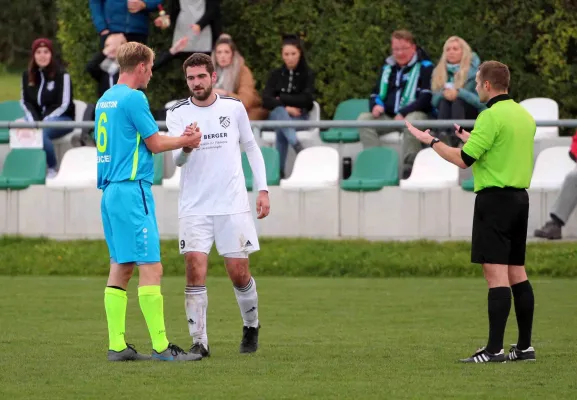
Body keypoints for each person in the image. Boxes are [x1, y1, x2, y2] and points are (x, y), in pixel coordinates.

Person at [405, 61, 537, 363]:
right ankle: (525, 346)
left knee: (496, 274)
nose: (475, 87)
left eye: (477, 83)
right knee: (517, 271)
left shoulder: (489, 116)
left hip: (494, 202)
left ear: (487, 85)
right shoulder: (524, 116)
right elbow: (501, 151)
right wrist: (471, 138)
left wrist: (431, 141)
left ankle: (494, 350)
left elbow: (463, 160)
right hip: (519, 200)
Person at [96, 41, 203, 362]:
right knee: (151, 267)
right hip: (132, 191)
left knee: (122, 266)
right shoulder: (133, 97)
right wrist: (187, 140)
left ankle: (117, 346)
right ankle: (161, 347)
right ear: (141, 66)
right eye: (151, 67)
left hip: (110, 193)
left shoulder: (106, 99)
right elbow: (155, 144)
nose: (152, 74)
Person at [166, 53, 270, 357]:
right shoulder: (177, 113)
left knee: (238, 272)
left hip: (232, 204)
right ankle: (200, 342)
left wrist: (262, 189)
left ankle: (251, 325)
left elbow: (251, 147)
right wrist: (186, 147)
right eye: (190, 78)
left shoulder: (234, 108)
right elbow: (177, 160)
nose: (196, 83)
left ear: (213, 77)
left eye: (201, 77)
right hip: (195, 206)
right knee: (194, 268)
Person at [357, 30, 434, 178]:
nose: (399, 53)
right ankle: (376, 164)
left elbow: (426, 98)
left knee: (412, 121)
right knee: (363, 119)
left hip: (415, 114)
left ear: (413, 47)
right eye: (395, 49)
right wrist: (375, 105)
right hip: (390, 116)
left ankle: (409, 168)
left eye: (403, 49)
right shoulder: (387, 68)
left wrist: (403, 112)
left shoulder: (426, 67)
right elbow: (374, 93)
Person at [261, 34, 315, 178]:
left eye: (293, 54)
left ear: (299, 54)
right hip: (278, 116)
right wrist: (287, 108)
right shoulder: (275, 74)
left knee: (281, 128)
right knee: (279, 113)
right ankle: (296, 144)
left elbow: (307, 101)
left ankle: (278, 172)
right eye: (286, 54)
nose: (290, 58)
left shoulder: (307, 74)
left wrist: (282, 98)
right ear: (282, 55)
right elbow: (266, 100)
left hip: (299, 119)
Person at [20, 38, 75, 178]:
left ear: (51, 54)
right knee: (20, 129)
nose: (42, 55)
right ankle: (25, 168)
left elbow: (65, 103)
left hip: (62, 119)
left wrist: (45, 121)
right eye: (38, 52)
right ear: (34, 55)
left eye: (46, 52)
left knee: (41, 133)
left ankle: (52, 168)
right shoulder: (27, 76)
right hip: (37, 119)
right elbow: (25, 102)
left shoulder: (62, 75)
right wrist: (33, 120)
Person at [431, 36, 485, 146]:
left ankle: (457, 137)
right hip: (445, 112)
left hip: (471, 116)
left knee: (458, 101)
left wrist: (459, 93)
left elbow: (482, 102)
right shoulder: (438, 72)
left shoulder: (477, 72)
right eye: (448, 49)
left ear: (463, 52)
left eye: (455, 49)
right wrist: (443, 94)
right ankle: (442, 135)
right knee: (444, 101)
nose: (451, 52)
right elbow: (433, 101)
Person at [211, 34, 268, 120]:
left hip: (246, 112)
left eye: (226, 52)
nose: (223, 56)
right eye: (219, 52)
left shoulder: (242, 70)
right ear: (215, 55)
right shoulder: (209, 71)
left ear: (233, 54)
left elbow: (246, 101)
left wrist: (225, 94)